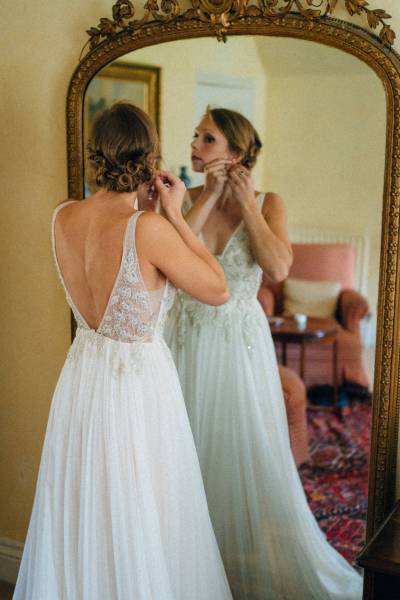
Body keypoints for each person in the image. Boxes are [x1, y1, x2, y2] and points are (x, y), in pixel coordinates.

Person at [13, 103, 233, 600]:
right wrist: (174, 214)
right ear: (149, 156)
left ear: (98, 154)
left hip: (82, 380)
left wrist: (154, 216)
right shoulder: (150, 229)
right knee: (143, 510)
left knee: (87, 507)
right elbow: (218, 288)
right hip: (136, 388)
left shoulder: (63, 216)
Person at [165, 107, 363, 599]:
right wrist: (209, 197)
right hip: (184, 340)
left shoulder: (270, 202)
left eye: (206, 138)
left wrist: (246, 204)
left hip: (237, 345)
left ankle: (236, 565)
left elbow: (275, 268)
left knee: (240, 447)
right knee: (181, 450)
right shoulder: (184, 199)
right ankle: (189, 571)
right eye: (195, 136)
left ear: (235, 152)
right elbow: (169, 261)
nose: (194, 143)